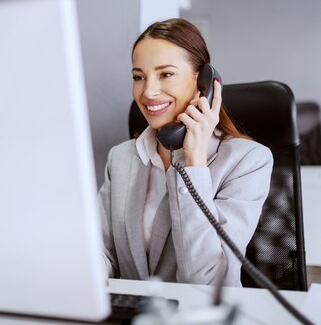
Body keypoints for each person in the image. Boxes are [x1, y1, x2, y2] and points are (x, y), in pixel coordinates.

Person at [98, 18, 273, 286]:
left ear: (203, 82)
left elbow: (206, 280)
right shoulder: (121, 158)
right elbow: (102, 251)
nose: (149, 91)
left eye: (165, 74)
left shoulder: (248, 161)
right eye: (138, 77)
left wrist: (193, 163)